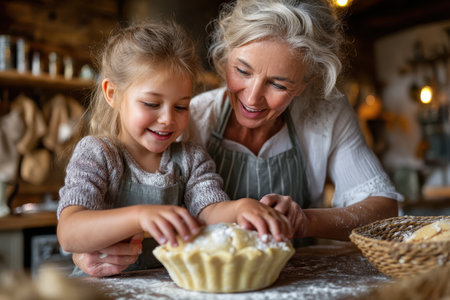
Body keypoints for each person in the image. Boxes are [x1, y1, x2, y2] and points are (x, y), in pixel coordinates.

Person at [73, 0, 403, 277]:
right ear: (226, 54)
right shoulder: (187, 119)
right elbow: (81, 224)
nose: (253, 98)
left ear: (306, 82)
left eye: (279, 84)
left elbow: (384, 210)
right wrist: (87, 250)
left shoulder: (325, 115)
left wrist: (303, 220)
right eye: (243, 71)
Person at [57, 21, 293, 277]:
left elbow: (209, 212)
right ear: (112, 93)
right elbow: (69, 232)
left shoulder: (190, 159)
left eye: (181, 107)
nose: (168, 119)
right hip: (100, 290)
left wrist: (239, 209)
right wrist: (139, 217)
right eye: (151, 103)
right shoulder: (98, 154)